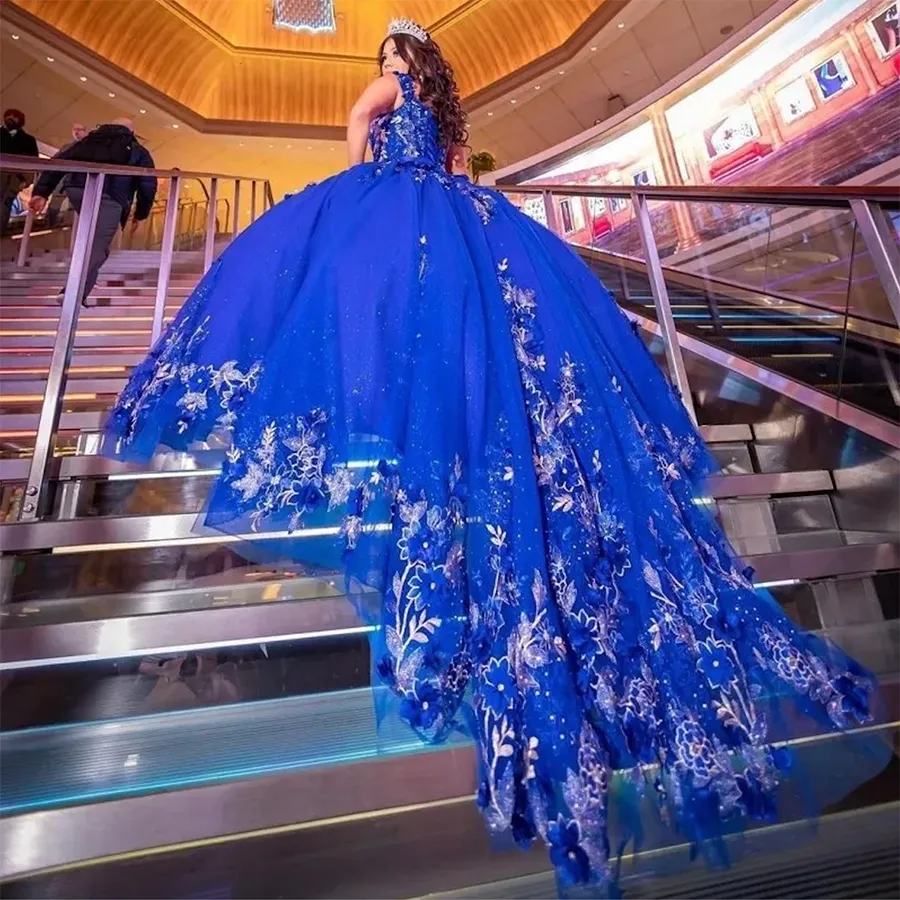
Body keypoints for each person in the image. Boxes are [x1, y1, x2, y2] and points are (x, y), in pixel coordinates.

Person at [101, 19, 886, 891]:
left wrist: (369, 171)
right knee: (485, 354)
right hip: (458, 215)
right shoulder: (443, 99)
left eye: (386, 56)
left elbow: (354, 127)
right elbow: (459, 165)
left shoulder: (393, 81)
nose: (384, 66)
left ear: (397, 55)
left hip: (402, 204)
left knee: (386, 319)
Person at [29, 118, 156, 306]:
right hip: (110, 196)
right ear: (131, 132)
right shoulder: (137, 150)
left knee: (89, 240)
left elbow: (58, 162)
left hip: (77, 190)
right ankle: (73, 292)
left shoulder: (88, 141)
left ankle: (76, 288)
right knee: (98, 246)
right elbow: (147, 185)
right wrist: (140, 214)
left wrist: (41, 192)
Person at [0, 108, 39, 235]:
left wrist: (25, 180)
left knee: (5, 203)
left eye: (14, 116)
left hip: (15, 178)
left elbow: (33, 162)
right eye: (8, 116)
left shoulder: (28, 140)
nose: (10, 118)